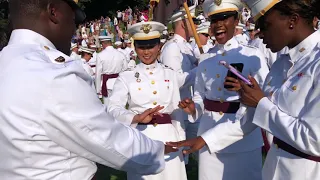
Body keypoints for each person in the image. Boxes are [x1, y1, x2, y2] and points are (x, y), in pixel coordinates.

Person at [0, 0, 177, 179]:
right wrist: (159, 150)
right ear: (54, 13)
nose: (73, 30)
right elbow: (103, 136)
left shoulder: (6, 61)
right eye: (73, 20)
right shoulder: (54, 72)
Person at [168, 0, 320, 180]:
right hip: (275, 166)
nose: (259, 34)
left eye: (265, 25)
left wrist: (260, 103)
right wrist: (206, 139)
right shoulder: (282, 63)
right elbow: (252, 116)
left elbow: (313, 139)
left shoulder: (315, 64)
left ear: (292, 20)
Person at [173, 0, 270, 179]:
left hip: (243, 136)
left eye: (225, 18)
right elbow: (200, 96)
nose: (219, 24)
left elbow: (265, 96)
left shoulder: (252, 55)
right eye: (215, 20)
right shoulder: (206, 59)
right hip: (209, 133)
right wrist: (194, 107)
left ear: (236, 20)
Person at [107, 21, 190, 180]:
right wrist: (134, 117)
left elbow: (177, 113)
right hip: (141, 139)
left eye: (151, 46)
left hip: (169, 138)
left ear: (159, 47)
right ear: (135, 47)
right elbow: (112, 108)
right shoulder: (127, 76)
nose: (146, 52)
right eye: (141, 47)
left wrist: (182, 142)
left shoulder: (169, 74)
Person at [159, 5, 198, 163]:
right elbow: (174, 81)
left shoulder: (186, 46)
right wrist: (199, 69)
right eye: (193, 21)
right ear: (183, 24)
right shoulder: (172, 48)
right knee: (180, 155)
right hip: (178, 107)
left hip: (190, 105)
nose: (195, 25)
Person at [95, 36, 127, 104]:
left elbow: (98, 73)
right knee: (119, 104)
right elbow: (125, 69)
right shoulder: (121, 54)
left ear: (103, 43)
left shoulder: (100, 55)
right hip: (118, 81)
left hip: (107, 83)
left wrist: (98, 89)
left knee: (107, 105)